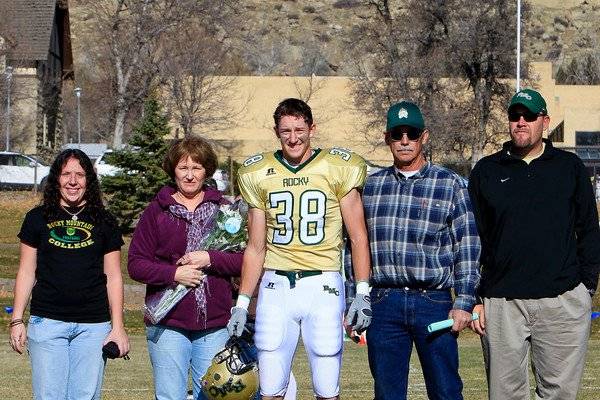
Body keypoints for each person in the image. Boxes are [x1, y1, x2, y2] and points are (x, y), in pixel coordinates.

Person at [227, 98, 372, 400]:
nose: (293, 138)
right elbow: (255, 248)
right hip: (276, 285)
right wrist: (242, 303)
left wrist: (362, 291)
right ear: (276, 132)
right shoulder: (258, 172)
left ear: (312, 128)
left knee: (326, 385)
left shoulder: (337, 167)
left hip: (323, 284)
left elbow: (358, 237)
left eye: (299, 130)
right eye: (285, 131)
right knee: (270, 388)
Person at [469, 88, 600, 400]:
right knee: (505, 395)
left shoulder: (569, 167)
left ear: (545, 121)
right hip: (502, 304)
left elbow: (589, 230)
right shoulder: (487, 171)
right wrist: (476, 298)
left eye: (529, 115)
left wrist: (585, 288)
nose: (521, 122)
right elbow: (475, 241)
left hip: (562, 301)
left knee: (559, 394)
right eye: (515, 116)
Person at [359, 101, 481, 400]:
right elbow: (356, 247)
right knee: (387, 394)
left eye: (411, 134)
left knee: (446, 391)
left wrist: (464, 301)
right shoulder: (372, 186)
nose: (404, 141)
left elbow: (467, 245)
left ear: (423, 137)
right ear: (387, 137)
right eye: (397, 134)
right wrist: (355, 298)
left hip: (434, 302)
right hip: (384, 302)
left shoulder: (450, 184)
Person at [128, 136, 243, 400]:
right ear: (173, 170)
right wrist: (174, 274)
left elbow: (244, 260)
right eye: (183, 168)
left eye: (197, 168)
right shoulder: (156, 212)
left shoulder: (226, 211)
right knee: (170, 395)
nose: (190, 176)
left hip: (214, 324)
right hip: (168, 322)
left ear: (207, 171)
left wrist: (210, 258)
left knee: (213, 396)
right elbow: (136, 264)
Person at [9, 148, 129, 399]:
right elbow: (26, 271)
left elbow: (114, 277)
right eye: (66, 174)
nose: (73, 181)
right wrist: (17, 319)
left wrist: (117, 327)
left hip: (93, 327)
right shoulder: (37, 218)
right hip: (47, 323)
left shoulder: (104, 220)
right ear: (56, 179)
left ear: (89, 180)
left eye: (80, 175)